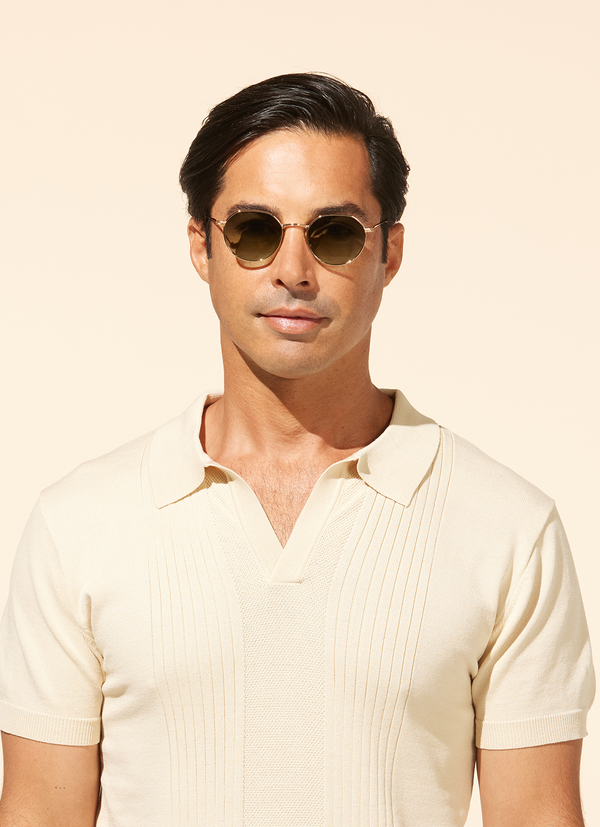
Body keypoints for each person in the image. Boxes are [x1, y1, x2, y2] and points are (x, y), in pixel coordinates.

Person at [0, 73, 594, 827]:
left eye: (334, 232)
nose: (292, 270)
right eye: (253, 230)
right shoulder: (79, 525)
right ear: (201, 246)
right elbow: (38, 813)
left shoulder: (508, 530)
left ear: (390, 253)